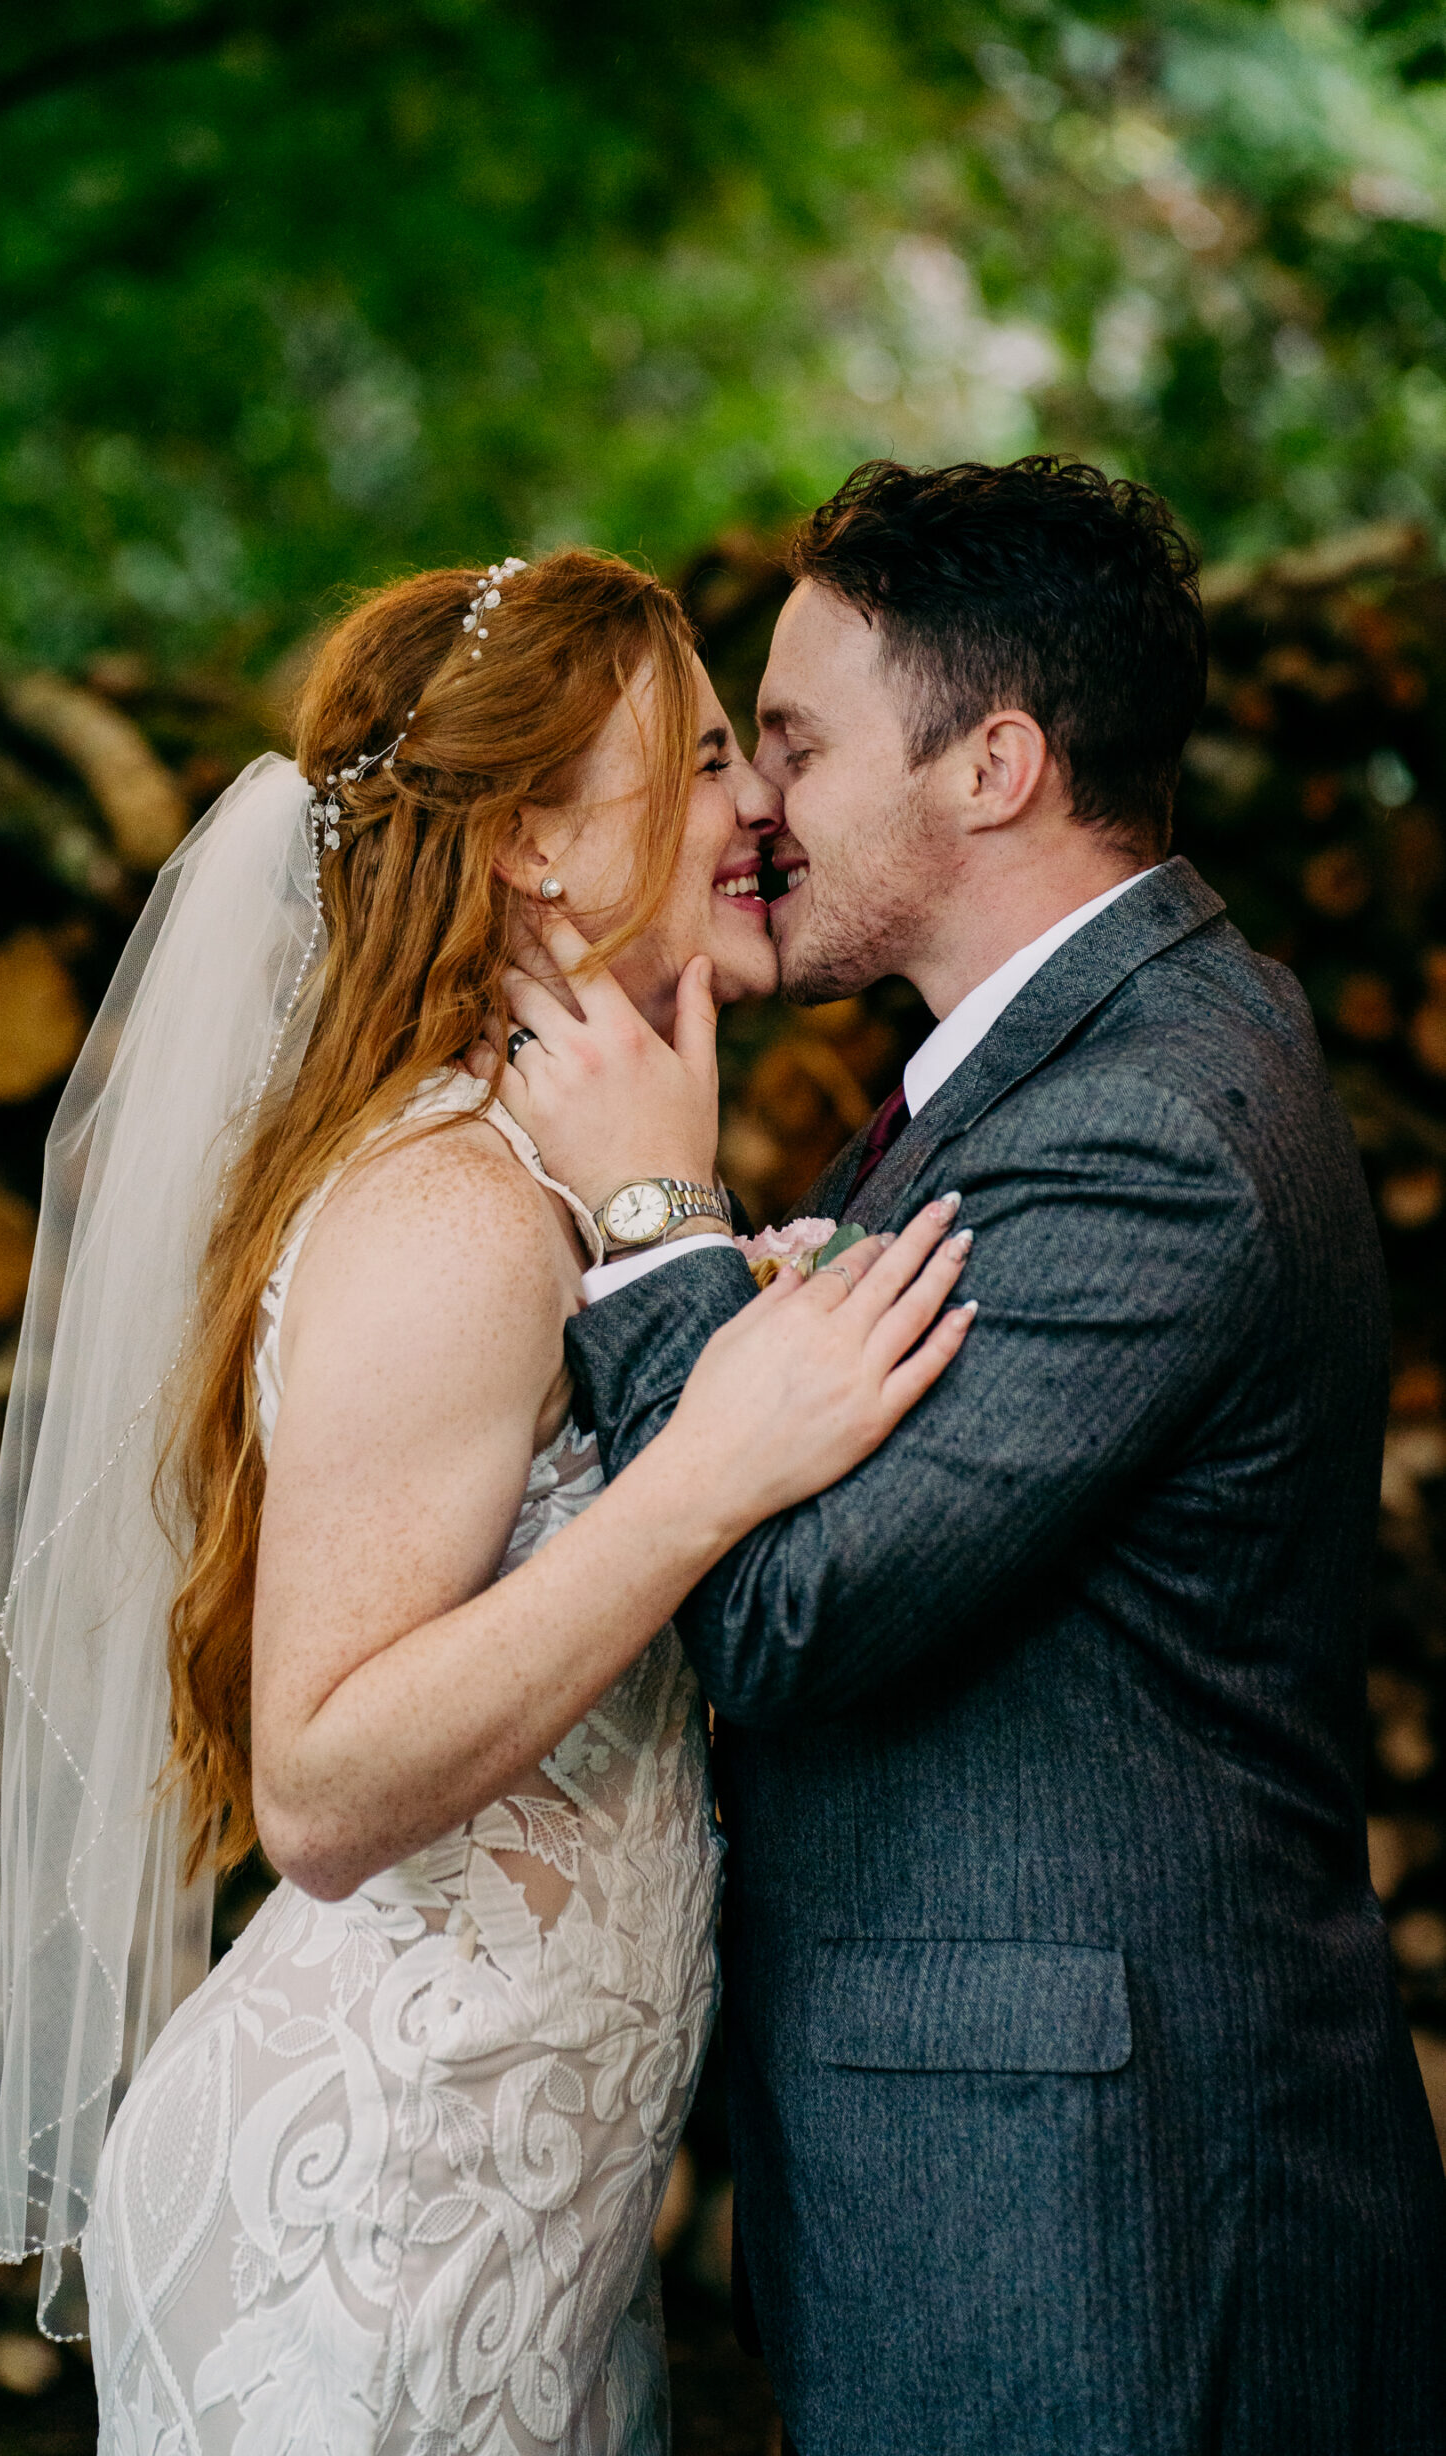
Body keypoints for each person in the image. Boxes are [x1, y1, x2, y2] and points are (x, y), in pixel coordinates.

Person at [0, 548, 971, 2456]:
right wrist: (711, 1469)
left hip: (516, 2210)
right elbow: (313, 1786)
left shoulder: (565, 1195)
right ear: (534, 846)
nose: (763, 803)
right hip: (374, 2221)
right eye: (707, 753)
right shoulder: (456, 1211)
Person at [496, 461, 1446, 2455]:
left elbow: (773, 1599)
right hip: (999, 2180)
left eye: (794, 741)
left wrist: (660, 1219)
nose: (751, 802)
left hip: (1099, 2223)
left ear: (991, 762)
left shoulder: (1145, 1126)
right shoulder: (1042, 1074)